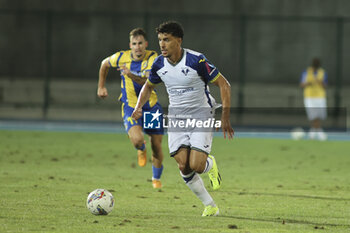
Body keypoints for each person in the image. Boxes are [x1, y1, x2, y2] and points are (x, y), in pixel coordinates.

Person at [131, 21, 234, 216]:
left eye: (167, 40)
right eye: (160, 40)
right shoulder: (159, 64)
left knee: (196, 165)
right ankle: (210, 205)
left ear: (178, 41)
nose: (162, 44)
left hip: (201, 113)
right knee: (183, 166)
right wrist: (138, 107)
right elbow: (148, 86)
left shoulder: (197, 60)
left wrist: (225, 117)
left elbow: (224, 84)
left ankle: (209, 165)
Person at [97, 28, 165, 188]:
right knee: (137, 140)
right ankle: (141, 148)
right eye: (134, 44)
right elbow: (104, 64)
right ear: (130, 45)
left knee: (156, 146)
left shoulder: (153, 58)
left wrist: (129, 74)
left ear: (146, 44)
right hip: (131, 107)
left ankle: (156, 179)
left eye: (140, 43)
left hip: (151, 108)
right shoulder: (121, 57)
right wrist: (101, 86)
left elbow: (146, 83)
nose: (138, 47)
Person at [300, 58, 328, 141]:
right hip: (309, 97)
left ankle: (312, 132)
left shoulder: (322, 72)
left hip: (320, 97)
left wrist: (320, 82)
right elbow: (302, 84)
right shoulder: (306, 72)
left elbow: (325, 85)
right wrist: (309, 83)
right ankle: (319, 132)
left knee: (319, 115)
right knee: (313, 115)